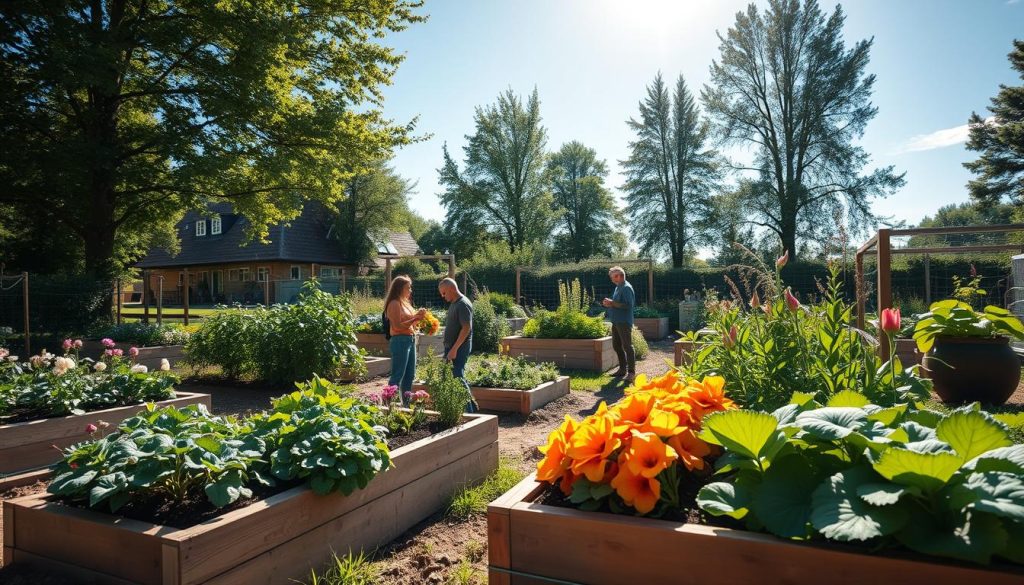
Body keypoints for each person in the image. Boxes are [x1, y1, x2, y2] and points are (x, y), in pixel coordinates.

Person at [384, 275, 427, 402]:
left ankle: (406, 405)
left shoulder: (405, 303)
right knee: (398, 375)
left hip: (410, 339)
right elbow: (397, 326)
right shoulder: (394, 303)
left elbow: (411, 323)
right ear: (399, 288)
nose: (410, 290)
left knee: (410, 375)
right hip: (400, 341)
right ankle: (389, 405)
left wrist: (419, 317)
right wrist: (415, 318)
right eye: (408, 288)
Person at [438, 278, 477, 412]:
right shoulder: (455, 303)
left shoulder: (462, 304)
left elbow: (466, 328)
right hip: (452, 347)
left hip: (459, 347)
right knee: (449, 376)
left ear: (452, 289)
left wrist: (454, 349)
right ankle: (469, 407)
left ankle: (470, 412)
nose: (443, 296)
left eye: (444, 293)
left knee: (457, 376)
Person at [601, 266, 636, 382]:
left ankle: (631, 373)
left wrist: (613, 303)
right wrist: (610, 303)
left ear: (619, 276)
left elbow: (628, 305)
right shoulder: (618, 287)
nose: (612, 279)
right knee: (616, 345)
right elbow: (618, 303)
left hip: (624, 322)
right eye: (611, 277)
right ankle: (622, 369)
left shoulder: (626, 288)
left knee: (627, 346)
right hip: (616, 321)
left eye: (613, 277)